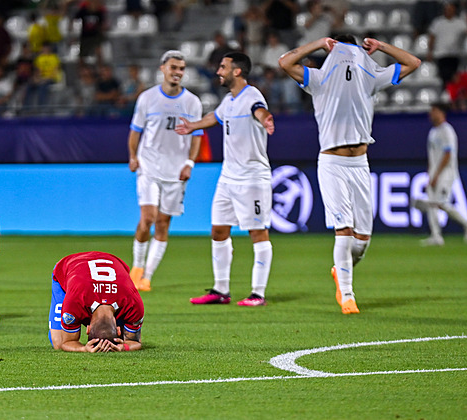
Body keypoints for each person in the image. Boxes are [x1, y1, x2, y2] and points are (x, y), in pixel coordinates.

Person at [278, 35, 421, 314]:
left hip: (359, 164)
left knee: (361, 242)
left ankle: (339, 271)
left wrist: (380, 47)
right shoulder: (318, 78)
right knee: (343, 232)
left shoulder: (370, 75)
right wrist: (319, 44)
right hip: (332, 163)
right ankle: (347, 295)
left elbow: (414, 62)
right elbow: (284, 62)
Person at [175, 51, 275, 307]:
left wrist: (266, 119)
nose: (218, 71)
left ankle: (258, 294)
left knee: (258, 232)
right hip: (228, 177)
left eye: (223, 67)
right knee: (218, 230)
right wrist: (192, 126)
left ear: (237, 71)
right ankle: (221, 290)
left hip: (252, 177)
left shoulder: (251, 95)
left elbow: (259, 111)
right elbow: (215, 117)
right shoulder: (229, 100)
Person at [128, 50, 203, 292]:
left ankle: (147, 277)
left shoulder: (192, 102)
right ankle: (136, 268)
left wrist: (189, 163)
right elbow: (135, 131)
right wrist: (132, 156)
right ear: (163, 69)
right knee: (147, 218)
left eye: (181, 69)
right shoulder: (147, 98)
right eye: (173, 68)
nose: (178, 73)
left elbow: (196, 136)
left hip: (176, 172)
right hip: (149, 166)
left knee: (163, 224)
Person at [48, 251, 144, 352]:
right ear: (118, 330)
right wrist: (83, 348)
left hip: (112, 263)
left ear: (88, 329)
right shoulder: (74, 301)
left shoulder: (132, 302)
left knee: (122, 339)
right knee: (58, 343)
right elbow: (65, 343)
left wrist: (124, 346)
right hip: (69, 265)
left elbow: (135, 342)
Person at [412, 102, 467, 246]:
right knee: (432, 203)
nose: (431, 114)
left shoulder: (447, 131)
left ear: (441, 113)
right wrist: (430, 173)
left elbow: (448, 154)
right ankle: (436, 236)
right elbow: (432, 156)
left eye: (434, 111)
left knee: (442, 203)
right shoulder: (433, 132)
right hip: (434, 173)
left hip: (446, 173)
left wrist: (437, 174)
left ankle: (465, 223)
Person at [427, 2, 467, 89]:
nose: (449, 11)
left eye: (451, 9)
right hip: (441, 54)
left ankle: (450, 94)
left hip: (454, 54)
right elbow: (432, 38)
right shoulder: (438, 22)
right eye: (448, 9)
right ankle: (446, 93)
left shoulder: (460, 22)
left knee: (454, 76)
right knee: (445, 76)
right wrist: (430, 51)